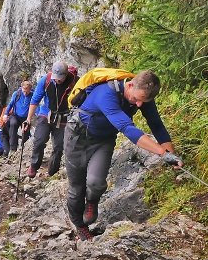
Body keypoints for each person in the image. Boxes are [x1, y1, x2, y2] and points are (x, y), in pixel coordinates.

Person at [64, 70, 183, 241]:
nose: (140, 104)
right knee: (76, 188)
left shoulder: (143, 97)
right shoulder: (105, 93)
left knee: (96, 183)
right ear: (129, 85)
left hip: (104, 141)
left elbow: (156, 125)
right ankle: (80, 225)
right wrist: (162, 153)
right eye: (137, 99)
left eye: (144, 101)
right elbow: (127, 128)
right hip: (77, 139)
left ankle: (91, 202)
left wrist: (172, 155)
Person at [22, 61, 77, 178]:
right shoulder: (46, 80)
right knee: (39, 141)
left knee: (59, 146)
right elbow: (35, 100)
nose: (56, 80)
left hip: (64, 117)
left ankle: (52, 171)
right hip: (46, 114)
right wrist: (28, 119)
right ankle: (34, 165)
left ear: (66, 74)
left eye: (60, 78)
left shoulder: (75, 81)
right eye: (55, 78)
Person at [0, 80, 33, 160]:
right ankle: (13, 148)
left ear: (30, 89)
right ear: (21, 88)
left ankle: (23, 149)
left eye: (27, 91)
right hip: (15, 115)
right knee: (13, 124)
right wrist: (6, 114)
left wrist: (39, 115)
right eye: (24, 91)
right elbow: (10, 104)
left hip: (25, 117)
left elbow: (35, 106)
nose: (25, 93)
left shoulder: (32, 95)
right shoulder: (17, 94)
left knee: (26, 131)